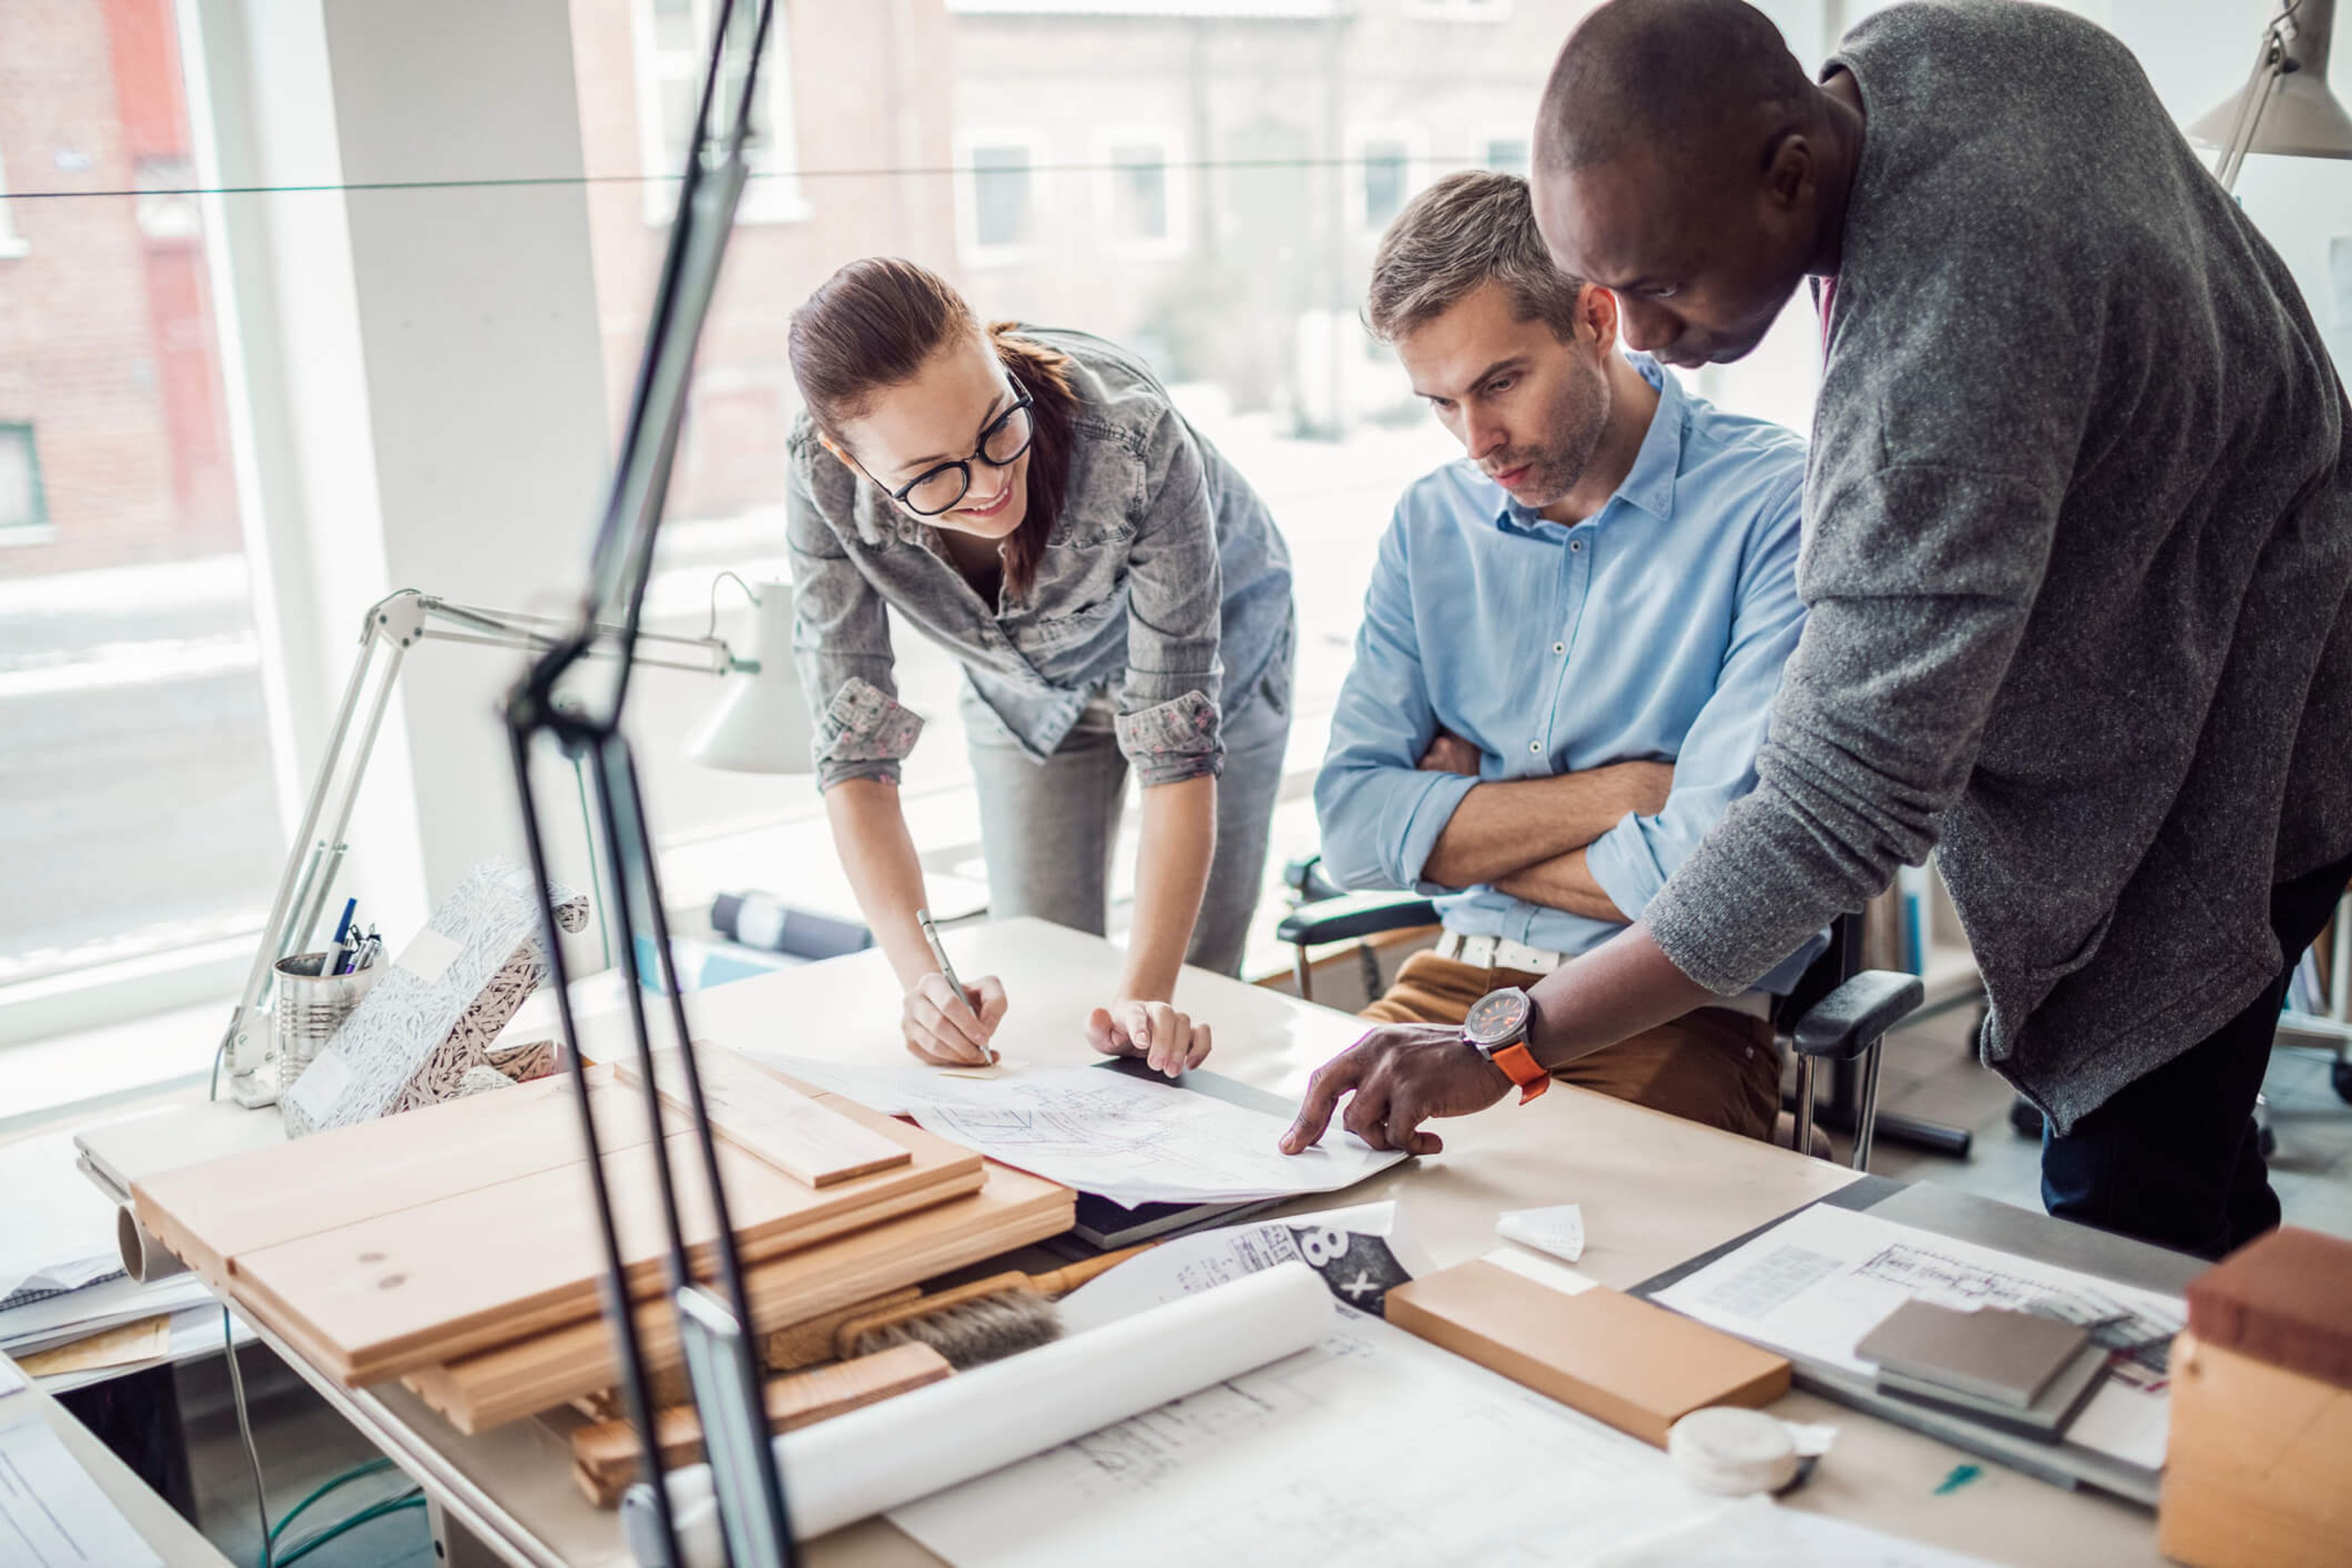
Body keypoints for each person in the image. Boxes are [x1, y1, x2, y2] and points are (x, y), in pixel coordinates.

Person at [1281, 0, 2352, 1261]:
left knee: (2127, 1241)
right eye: (1611, 291)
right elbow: (1358, 819)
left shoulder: (1927, 379)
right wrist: (1618, 800)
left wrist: (1502, 1026)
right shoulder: (1939, 50)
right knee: (2212, 1197)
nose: (1642, 338)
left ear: (1791, 174)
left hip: (2228, 749)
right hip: (2272, 596)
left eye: (1661, 287)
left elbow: (1828, 815)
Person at [1315, 169, 1818, 1143]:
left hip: (1675, 1009)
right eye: (1440, 403)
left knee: (1560, 1280)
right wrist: (1627, 795)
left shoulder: (1778, 507)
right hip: (1443, 987)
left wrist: (1456, 836)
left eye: (1501, 383)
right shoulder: (1432, 523)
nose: (1477, 441)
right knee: (1295, 1230)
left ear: (1595, 318)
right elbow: (1349, 828)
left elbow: (1713, 880)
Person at [786, 258, 1295, 1076]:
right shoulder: (820, 482)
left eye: (998, 428)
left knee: (1180, 1004)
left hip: (1216, 659)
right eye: (931, 477)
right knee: (1042, 970)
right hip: (1021, 688)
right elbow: (856, 760)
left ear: (993, 352)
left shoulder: (1135, 438)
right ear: (852, 465)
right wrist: (925, 988)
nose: (989, 486)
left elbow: (1177, 763)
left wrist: (1145, 999)